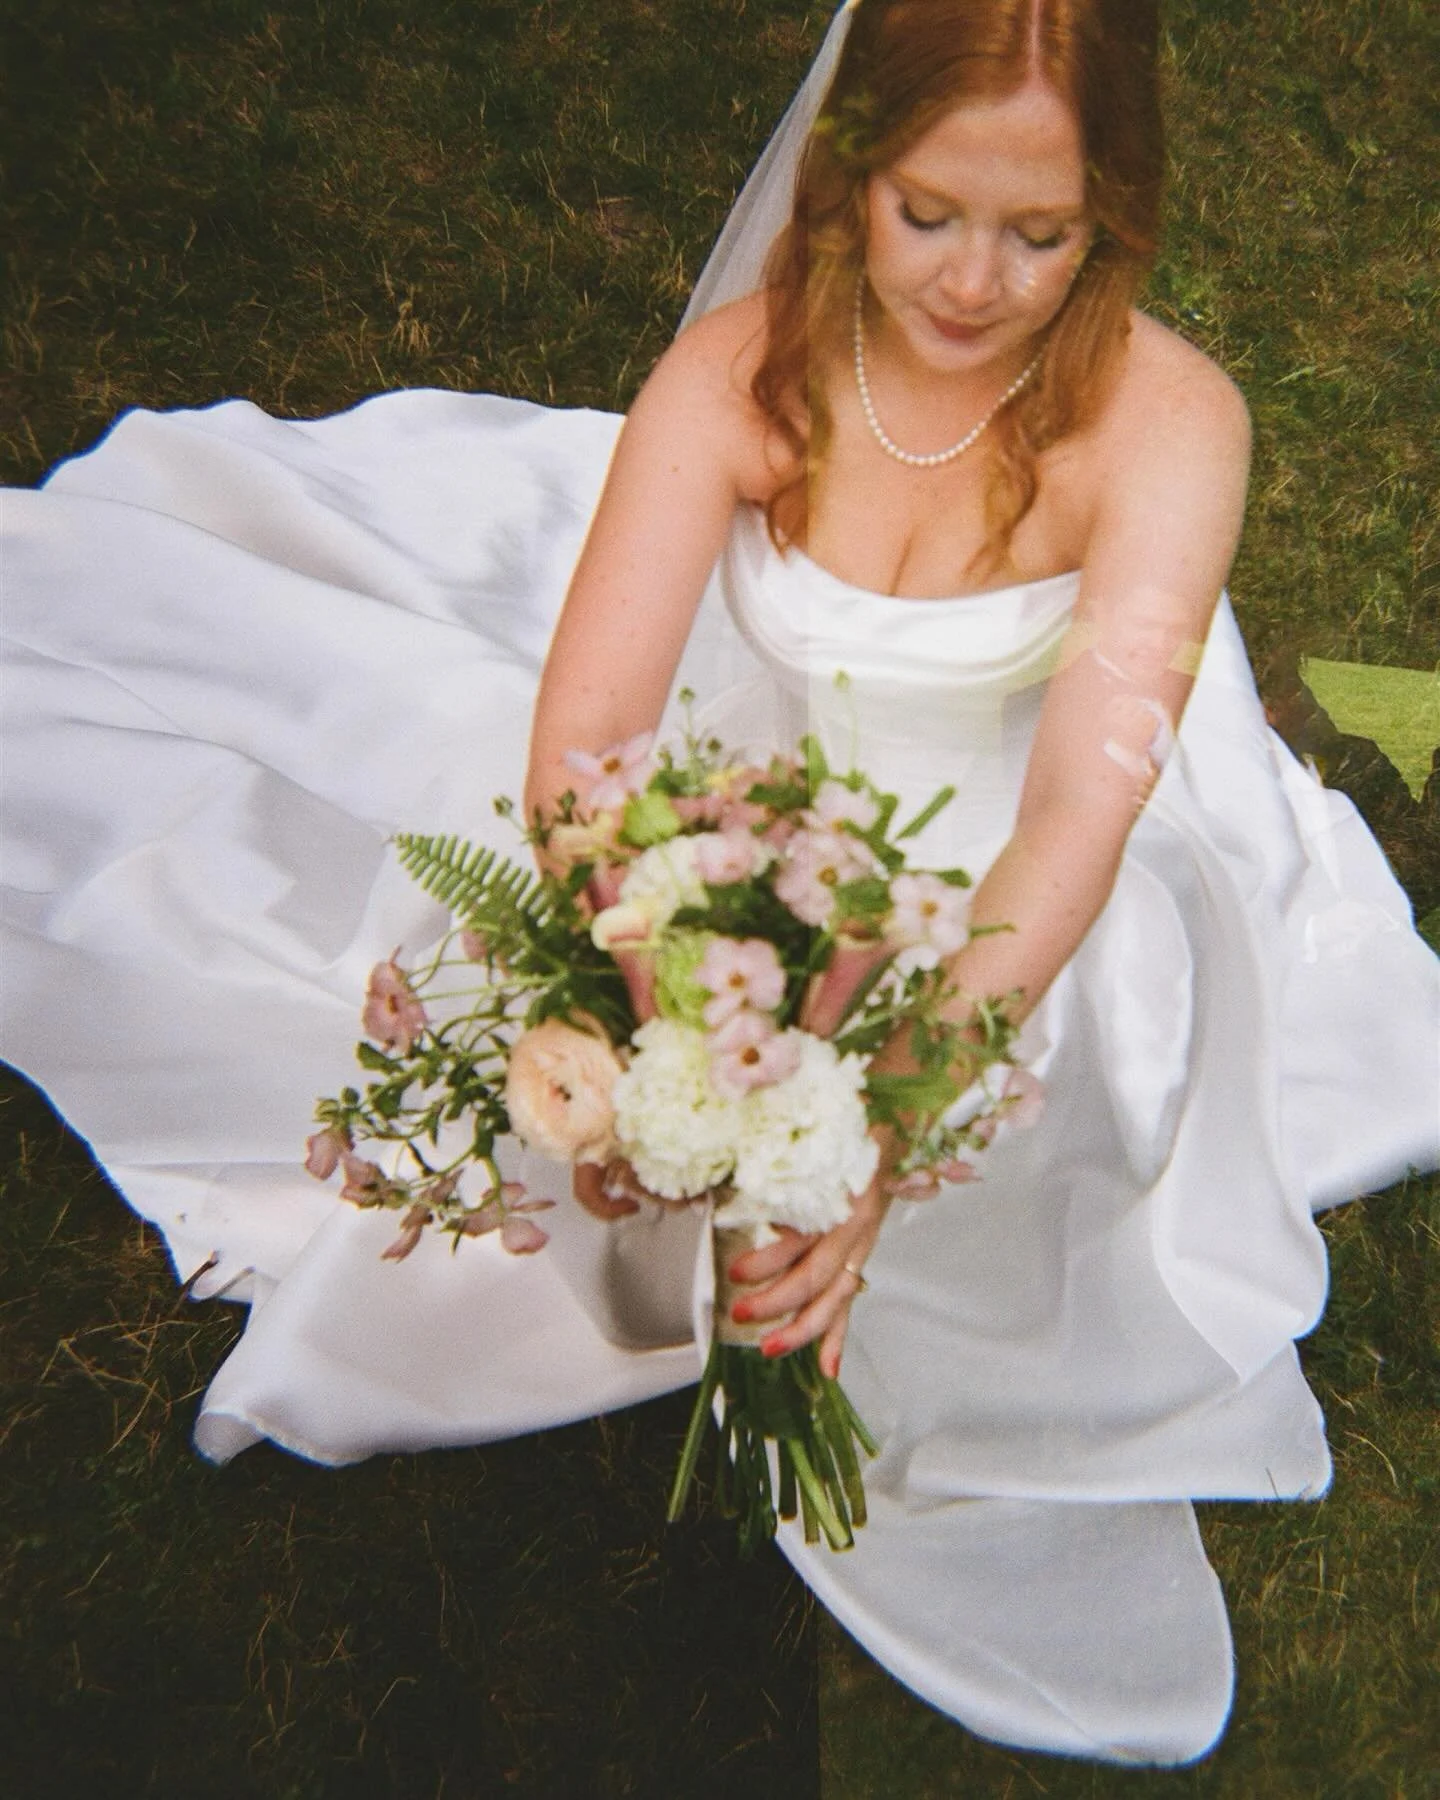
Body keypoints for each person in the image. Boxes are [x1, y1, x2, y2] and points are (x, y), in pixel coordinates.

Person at [2, 0, 1436, 1769]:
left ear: (1115, 217)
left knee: (1037, 1125)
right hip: (725, 831)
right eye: (928, 213)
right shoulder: (738, 377)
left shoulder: (1173, 425)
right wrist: (681, 1008)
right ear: (850, 174)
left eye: (1041, 234)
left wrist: (879, 1118)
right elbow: (588, 746)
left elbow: (1075, 815)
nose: (974, 282)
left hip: (1009, 910)